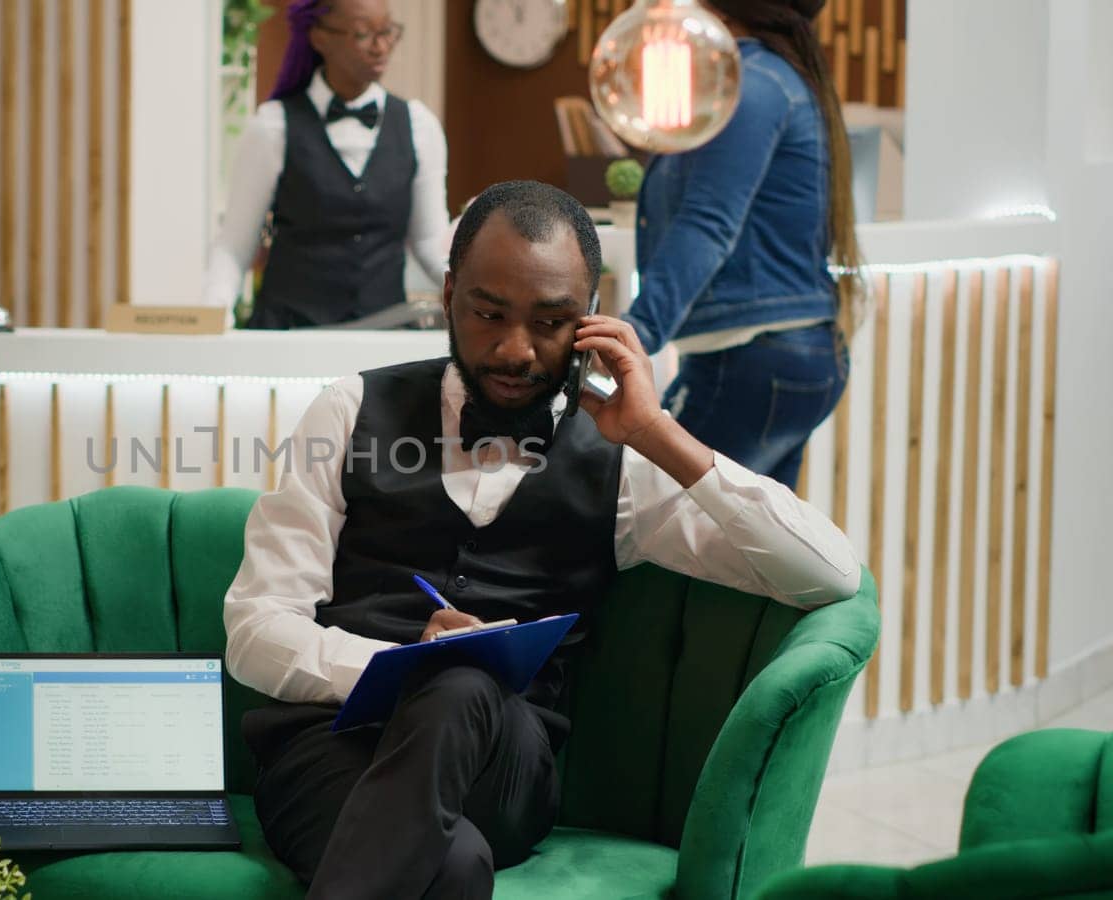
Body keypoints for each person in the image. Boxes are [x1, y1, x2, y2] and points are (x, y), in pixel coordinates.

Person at [222, 180, 862, 899]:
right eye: (488, 314)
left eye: (551, 323)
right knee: (456, 867)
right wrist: (400, 665)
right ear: (448, 293)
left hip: (507, 772)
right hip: (328, 752)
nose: (515, 349)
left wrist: (654, 432)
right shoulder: (349, 410)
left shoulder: (621, 463)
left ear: (590, 321)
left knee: (463, 684)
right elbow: (256, 625)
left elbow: (829, 572)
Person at [621, 0, 862, 489]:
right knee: (741, 559)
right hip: (784, 356)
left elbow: (708, 224)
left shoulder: (751, 85)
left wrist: (633, 338)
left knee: (648, 530)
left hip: (751, 359)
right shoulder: (774, 78)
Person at [203, 0, 450, 329]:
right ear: (319, 37)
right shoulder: (273, 127)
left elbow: (428, 242)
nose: (381, 47)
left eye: (387, 32)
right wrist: (214, 314)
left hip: (385, 336)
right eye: (364, 35)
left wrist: (471, 291)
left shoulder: (420, 125)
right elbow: (235, 244)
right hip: (290, 333)